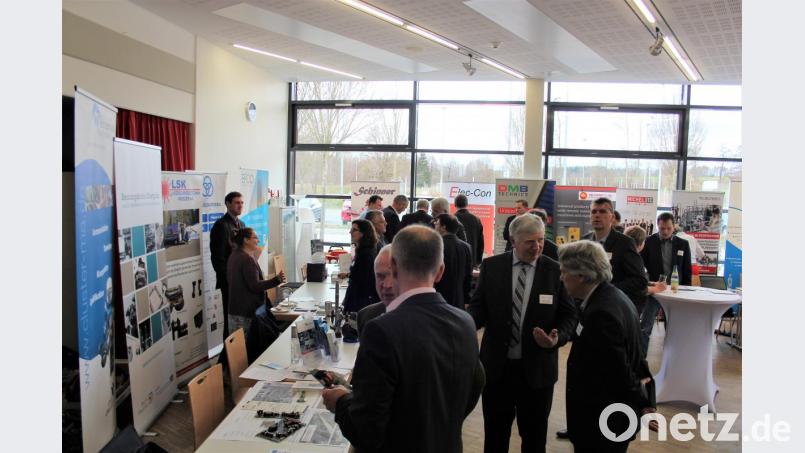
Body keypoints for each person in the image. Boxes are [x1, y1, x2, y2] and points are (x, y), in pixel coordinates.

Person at [322, 226, 485, 453]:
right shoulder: (465, 322)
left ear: (395, 267)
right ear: (440, 271)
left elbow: (365, 431)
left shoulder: (381, 330)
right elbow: (473, 387)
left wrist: (340, 401)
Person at [468, 215, 578, 453]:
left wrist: (557, 338)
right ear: (513, 240)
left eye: (540, 240)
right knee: (495, 435)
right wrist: (463, 325)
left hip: (538, 372)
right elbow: (479, 308)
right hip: (497, 370)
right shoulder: (492, 267)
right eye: (530, 241)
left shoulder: (555, 270)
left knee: (535, 437)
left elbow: (570, 315)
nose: (537, 246)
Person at [557, 197, 647, 440]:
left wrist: (602, 289)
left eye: (602, 211)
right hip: (586, 314)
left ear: (612, 216)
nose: (597, 215)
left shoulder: (624, 243)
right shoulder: (585, 243)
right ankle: (577, 423)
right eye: (594, 211)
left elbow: (639, 281)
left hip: (607, 311)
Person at [226, 228, 285, 335]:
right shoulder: (247, 259)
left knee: (239, 349)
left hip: (235, 311)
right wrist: (276, 280)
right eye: (255, 238)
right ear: (246, 240)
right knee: (250, 349)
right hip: (247, 313)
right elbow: (255, 285)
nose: (258, 240)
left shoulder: (234, 255)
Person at [624, 225, 668, 358]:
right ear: (642, 243)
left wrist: (650, 283)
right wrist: (656, 288)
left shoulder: (627, 256)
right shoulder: (634, 259)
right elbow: (637, 288)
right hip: (630, 308)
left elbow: (633, 281)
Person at [210, 191, 246, 337]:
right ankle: (227, 356)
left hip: (242, 280)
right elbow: (218, 258)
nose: (240, 206)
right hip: (230, 282)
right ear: (228, 204)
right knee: (230, 319)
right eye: (237, 203)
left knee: (241, 319)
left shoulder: (242, 224)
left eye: (242, 203)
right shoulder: (221, 226)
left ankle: (241, 353)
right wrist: (229, 280)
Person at [640, 213, 692, 285]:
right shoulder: (648, 242)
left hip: (676, 288)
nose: (665, 232)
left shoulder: (683, 244)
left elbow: (687, 270)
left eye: (669, 228)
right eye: (662, 228)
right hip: (654, 287)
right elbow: (642, 266)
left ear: (674, 227)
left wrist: (687, 289)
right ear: (658, 226)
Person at [434, 214, 472, 309]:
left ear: (444, 227)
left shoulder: (436, 245)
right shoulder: (466, 247)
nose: (435, 225)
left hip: (439, 297)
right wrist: (466, 299)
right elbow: (468, 275)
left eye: (437, 224)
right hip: (459, 298)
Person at [341, 219, 380, 314]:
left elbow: (362, 279)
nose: (350, 232)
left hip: (361, 302)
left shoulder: (365, 254)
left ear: (363, 233)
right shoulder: (363, 251)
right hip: (359, 299)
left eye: (354, 230)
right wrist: (348, 274)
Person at [356, 245, 394, 336]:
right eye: (380, 276)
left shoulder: (427, 318)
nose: (387, 285)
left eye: (394, 276)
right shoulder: (366, 316)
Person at [454, 193, 485, 267]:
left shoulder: (452, 219)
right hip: (472, 259)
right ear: (467, 204)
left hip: (456, 260)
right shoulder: (476, 219)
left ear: (455, 204)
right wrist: (478, 260)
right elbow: (481, 242)